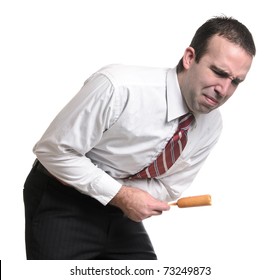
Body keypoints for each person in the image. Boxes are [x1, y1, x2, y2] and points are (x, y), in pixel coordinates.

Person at [23, 15, 256, 260]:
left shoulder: (211, 125)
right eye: (219, 72)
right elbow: (53, 150)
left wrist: (120, 197)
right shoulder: (119, 87)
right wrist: (120, 194)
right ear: (190, 58)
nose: (224, 90)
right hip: (61, 197)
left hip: (120, 210)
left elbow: (168, 186)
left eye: (235, 82)